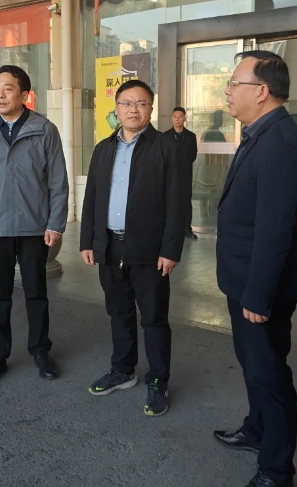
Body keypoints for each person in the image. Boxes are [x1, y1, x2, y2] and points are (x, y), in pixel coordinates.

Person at [213, 51, 297, 487]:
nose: (228, 91)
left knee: (269, 375)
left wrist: (257, 295)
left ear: (262, 91)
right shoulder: (260, 132)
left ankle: (276, 469)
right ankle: (257, 430)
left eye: (235, 83)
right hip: (244, 280)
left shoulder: (281, 144)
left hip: (260, 289)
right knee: (254, 366)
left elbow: (275, 231)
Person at [80, 79, 187, 417]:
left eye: (141, 103)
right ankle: (123, 370)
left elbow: (178, 204)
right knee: (119, 313)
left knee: (154, 318)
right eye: (126, 103)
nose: (133, 109)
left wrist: (170, 250)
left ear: (151, 109)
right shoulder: (103, 148)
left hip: (149, 251)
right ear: (116, 109)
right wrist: (88, 241)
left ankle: (158, 380)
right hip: (110, 246)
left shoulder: (167, 148)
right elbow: (92, 198)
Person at [0, 65, 68, 387]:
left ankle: (40, 350)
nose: (0, 94)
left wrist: (55, 224)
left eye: (8, 88)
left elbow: (58, 181)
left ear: (24, 95)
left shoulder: (44, 130)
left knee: (37, 293)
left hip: (34, 227)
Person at [165, 107, 198, 240]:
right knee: (169, 200)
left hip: (185, 174)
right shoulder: (165, 136)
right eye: (174, 116)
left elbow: (193, 155)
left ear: (184, 118)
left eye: (180, 117)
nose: (177, 119)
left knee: (185, 201)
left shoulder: (190, 136)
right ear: (172, 118)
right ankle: (169, 228)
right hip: (169, 174)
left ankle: (186, 229)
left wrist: (181, 166)